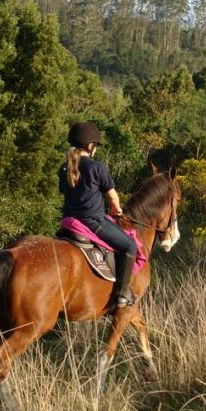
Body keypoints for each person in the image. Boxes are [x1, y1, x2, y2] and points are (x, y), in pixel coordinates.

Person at [59, 122, 139, 308]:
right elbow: (112, 196)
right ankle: (122, 294)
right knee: (130, 246)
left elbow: (66, 192)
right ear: (90, 146)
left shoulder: (64, 168)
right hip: (92, 222)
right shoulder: (97, 167)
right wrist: (116, 209)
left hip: (68, 222)